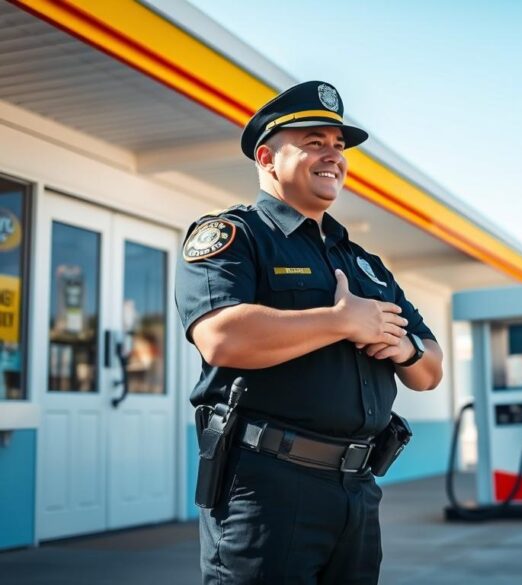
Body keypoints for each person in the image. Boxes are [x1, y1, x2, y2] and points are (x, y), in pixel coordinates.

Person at [174, 80, 443, 585]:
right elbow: (222, 338)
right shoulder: (236, 237)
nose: (333, 156)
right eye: (314, 142)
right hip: (266, 488)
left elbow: (430, 371)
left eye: (339, 146)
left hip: (358, 489)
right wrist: (342, 321)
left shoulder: (364, 263)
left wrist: (403, 347)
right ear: (268, 158)